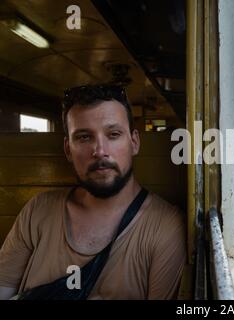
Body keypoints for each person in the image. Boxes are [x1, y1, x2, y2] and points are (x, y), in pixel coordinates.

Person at [0, 84, 186, 300]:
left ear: (134, 142)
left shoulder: (165, 227)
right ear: (68, 149)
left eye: (113, 134)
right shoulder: (38, 210)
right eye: (84, 137)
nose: (99, 151)